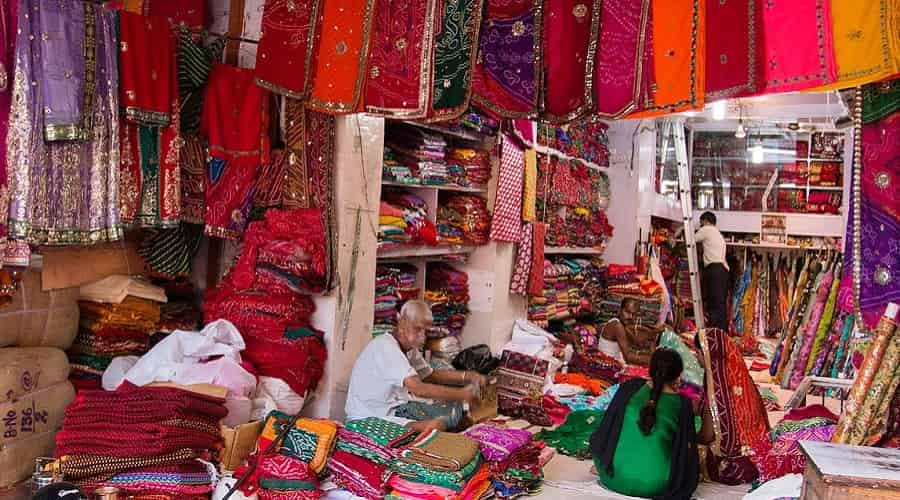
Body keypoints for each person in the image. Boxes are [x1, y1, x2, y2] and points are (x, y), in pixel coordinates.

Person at [589, 348, 714, 500]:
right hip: (656, 484)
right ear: (678, 375)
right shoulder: (683, 404)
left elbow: (606, 430)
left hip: (614, 477)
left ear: (650, 369)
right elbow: (685, 449)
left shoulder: (630, 387)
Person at [345, 300, 486, 432]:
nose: (423, 336)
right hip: (371, 414)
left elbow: (430, 375)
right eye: (418, 329)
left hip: (394, 404)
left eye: (425, 331)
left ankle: (453, 421)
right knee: (439, 422)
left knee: (451, 406)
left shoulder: (408, 348)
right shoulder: (386, 347)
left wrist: (468, 376)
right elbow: (418, 388)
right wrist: (463, 395)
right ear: (402, 324)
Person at [695, 328, 770, 485]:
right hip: (758, 455)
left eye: (698, 353)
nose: (696, 357)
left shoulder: (717, 393)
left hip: (734, 466)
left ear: (708, 355)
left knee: (687, 450)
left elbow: (707, 435)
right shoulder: (742, 379)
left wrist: (690, 436)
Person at [598, 297, 662, 366]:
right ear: (620, 310)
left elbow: (636, 341)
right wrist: (655, 359)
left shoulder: (622, 325)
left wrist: (652, 334)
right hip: (607, 367)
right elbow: (628, 357)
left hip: (611, 364)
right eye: (627, 312)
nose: (630, 317)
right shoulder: (617, 325)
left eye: (634, 314)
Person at [694, 211, 730, 332]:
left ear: (705, 221)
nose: (700, 226)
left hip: (714, 270)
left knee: (714, 303)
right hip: (722, 271)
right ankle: (722, 332)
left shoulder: (707, 229)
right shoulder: (718, 234)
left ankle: (714, 333)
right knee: (720, 303)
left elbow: (691, 239)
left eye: (701, 223)